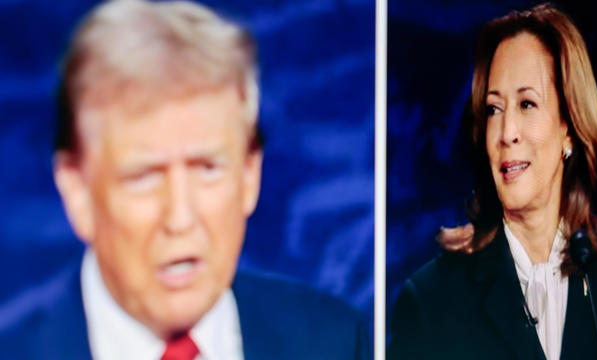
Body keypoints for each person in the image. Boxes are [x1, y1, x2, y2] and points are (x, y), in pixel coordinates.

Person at [0, 1, 369, 359]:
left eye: (207, 168)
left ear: (249, 175)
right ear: (77, 191)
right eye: (144, 177)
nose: (180, 218)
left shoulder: (334, 341)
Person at [387, 3, 597, 360]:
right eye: (494, 109)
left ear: (570, 128)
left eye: (527, 104)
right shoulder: (431, 302)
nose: (506, 134)